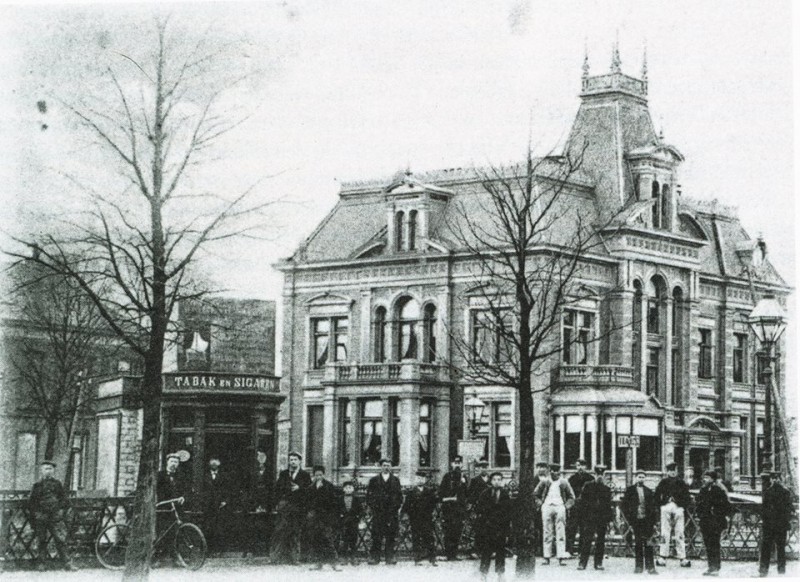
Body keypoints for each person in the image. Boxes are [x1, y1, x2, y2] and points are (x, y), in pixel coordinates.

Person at [28, 460, 76, 571]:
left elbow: (64, 500)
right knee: (41, 540)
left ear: (53, 470)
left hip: (55, 516)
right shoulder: (37, 485)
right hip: (41, 516)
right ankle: (41, 563)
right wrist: (36, 515)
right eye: (46, 469)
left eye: (50, 469)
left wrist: (60, 510)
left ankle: (67, 564)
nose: (48, 471)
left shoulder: (57, 484)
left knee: (60, 540)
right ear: (41, 471)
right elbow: (32, 503)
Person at [270, 451, 311, 564]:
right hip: (285, 506)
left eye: (295, 460)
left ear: (299, 461)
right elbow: (277, 489)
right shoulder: (284, 474)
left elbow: (309, 491)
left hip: (298, 507)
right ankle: (276, 558)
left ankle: (295, 558)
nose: (292, 462)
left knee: (295, 532)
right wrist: (277, 504)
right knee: (279, 531)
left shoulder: (305, 475)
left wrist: (300, 488)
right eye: (291, 460)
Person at [474, 472, 513, 582]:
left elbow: (508, 512)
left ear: (502, 481)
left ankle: (500, 574)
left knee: (500, 551)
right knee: (486, 551)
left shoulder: (505, 494)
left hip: (500, 527)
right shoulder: (485, 493)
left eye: (499, 479)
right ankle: (483, 574)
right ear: (491, 481)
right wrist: (483, 525)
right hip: (488, 526)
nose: (497, 481)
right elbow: (480, 510)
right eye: (494, 479)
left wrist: (506, 529)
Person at [534, 464, 575, 566]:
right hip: (547, 506)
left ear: (559, 472)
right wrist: (541, 504)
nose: (554, 473)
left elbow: (571, 496)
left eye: (556, 471)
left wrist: (566, 506)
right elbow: (535, 494)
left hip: (560, 506)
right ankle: (546, 557)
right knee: (547, 531)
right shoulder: (545, 481)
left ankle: (561, 556)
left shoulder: (564, 482)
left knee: (560, 531)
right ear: (549, 471)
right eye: (552, 470)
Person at [305, 466, 343, 571]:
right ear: (314, 475)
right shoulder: (311, 487)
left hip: (326, 518)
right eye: (316, 475)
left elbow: (332, 502)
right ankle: (318, 562)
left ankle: (335, 562)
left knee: (327, 539)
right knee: (315, 539)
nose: (318, 477)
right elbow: (308, 501)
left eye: (320, 475)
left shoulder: (329, 486)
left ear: (324, 475)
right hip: (315, 517)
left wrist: (321, 489)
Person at [576, 465, 613, 571]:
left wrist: (609, 520)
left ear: (604, 475)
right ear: (595, 475)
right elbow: (582, 503)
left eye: (602, 474)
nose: (600, 476)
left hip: (602, 518)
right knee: (586, 540)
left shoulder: (606, 489)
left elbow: (608, 505)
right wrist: (583, 517)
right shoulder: (588, 486)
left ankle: (598, 563)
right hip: (589, 518)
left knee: (600, 541)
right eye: (598, 474)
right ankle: (582, 563)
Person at [695, 469, 732, 577]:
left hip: (716, 521)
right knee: (708, 544)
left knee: (714, 544)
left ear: (712, 479)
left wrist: (718, 515)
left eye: (707, 477)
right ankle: (711, 566)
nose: (704, 479)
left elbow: (726, 505)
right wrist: (700, 515)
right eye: (704, 477)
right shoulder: (704, 489)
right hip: (705, 521)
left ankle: (716, 566)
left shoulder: (719, 489)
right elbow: (699, 503)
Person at [621, 469, 659, 575]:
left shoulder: (648, 491)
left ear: (645, 478)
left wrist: (654, 522)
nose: (641, 479)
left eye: (643, 477)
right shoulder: (630, 490)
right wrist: (630, 519)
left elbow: (653, 507)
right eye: (639, 477)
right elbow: (624, 506)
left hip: (647, 521)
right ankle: (638, 567)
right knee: (638, 544)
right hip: (636, 521)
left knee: (649, 544)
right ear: (635, 478)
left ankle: (650, 567)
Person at [654, 462, 692, 568]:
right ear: (667, 471)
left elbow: (687, 497)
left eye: (674, 470)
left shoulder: (681, 483)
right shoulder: (663, 482)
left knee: (680, 533)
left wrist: (682, 506)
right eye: (670, 470)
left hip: (678, 508)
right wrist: (661, 505)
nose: (673, 472)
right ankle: (662, 556)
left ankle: (682, 557)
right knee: (664, 532)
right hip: (666, 508)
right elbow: (656, 496)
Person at [366, 458, 403, 565]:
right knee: (376, 535)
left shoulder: (395, 480)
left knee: (390, 535)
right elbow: (369, 496)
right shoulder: (374, 480)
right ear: (381, 466)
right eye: (384, 465)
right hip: (378, 512)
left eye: (388, 465)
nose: (386, 467)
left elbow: (399, 496)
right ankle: (375, 557)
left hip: (391, 512)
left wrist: (395, 507)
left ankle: (390, 557)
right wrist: (373, 507)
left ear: (391, 467)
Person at [759, 470, 793, 577]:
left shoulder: (770, 491)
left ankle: (764, 570)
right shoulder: (785, 491)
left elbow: (764, 509)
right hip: (778, 524)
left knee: (767, 547)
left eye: (775, 478)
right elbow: (789, 509)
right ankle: (781, 570)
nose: (775, 480)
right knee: (779, 547)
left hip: (773, 524)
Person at [402, 471, 438, 566]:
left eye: (422, 479)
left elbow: (433, 504)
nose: (420, 480)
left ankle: (432, 558)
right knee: (416, 538)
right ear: (415, 480)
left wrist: (432, 513)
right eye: (418, 478)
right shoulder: (411, 492)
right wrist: (407, 515)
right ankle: (417, 559)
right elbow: (406, 506)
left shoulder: (429, 491)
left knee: (429, 537)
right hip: (415, 519)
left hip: (427, 518)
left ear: (425, 480)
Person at [438, 455, 468, 560]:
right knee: (448, 531)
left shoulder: (464, 478)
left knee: (457, 531)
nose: (457, 465)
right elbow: (441, 493)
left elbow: (466, 494)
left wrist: (464, 484)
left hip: (459, 509)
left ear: (461, 464)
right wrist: (449, 498)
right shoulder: (447, 476)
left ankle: (454, 554)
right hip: (449, 508)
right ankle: (448, 554)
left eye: (459, 463)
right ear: (452, 464)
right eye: (455, 463)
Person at [201, 457, 231, 557]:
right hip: (208, 506)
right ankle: (207, 550)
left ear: (219, 463)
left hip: (220, 506)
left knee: (219, 528)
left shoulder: (224, 476)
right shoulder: (204, 476)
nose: (214, 463)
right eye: (212, 461)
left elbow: (229, 489)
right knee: (208, 528)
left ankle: (218, 550)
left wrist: (225, 501)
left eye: (216, 461)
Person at [567, 459, 594, 555]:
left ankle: (581, 551)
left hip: (586, 507)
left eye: (582, 465)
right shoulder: (572, 479)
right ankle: (569, 550)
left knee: (584, 529)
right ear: (576, 467)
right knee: (571, 528)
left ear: (586, 467)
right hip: (575, 507)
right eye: (578, 465)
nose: (580, 468)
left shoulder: (590, 478)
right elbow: (568, 493)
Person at [339, 480, 363, 565]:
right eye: (346, 488)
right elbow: (337, 509)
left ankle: (353, 557)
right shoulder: (340, 498)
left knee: (353, 540)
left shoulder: (356, 499)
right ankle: (344, 558)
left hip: (353, 522)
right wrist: (340, 516)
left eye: (350, 488)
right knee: (344, 540)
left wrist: (357, 517)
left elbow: (361, 510)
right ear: (343, 489)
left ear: (353, 489)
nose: (348, 489)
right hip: (344, 522)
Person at [531, 462, 549, 557]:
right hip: (536, 509)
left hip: (547, 507)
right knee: (535, 529)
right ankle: (535, 549)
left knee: (546, 529)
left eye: (543, 467)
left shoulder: (549, 480)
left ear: (546, 469)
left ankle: (544, 550)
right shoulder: (533, 480)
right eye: (539, 467)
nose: (541, 469)